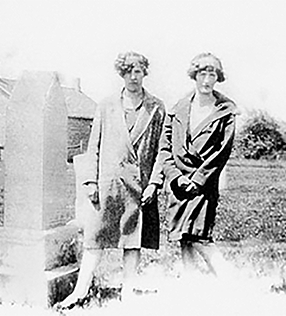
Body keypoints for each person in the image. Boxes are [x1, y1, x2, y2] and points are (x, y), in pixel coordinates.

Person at [57, 51, 166, 309]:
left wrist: (154, 183)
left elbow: (163, 149)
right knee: (95, 238)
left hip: (138, 186)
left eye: (137, 71)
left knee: (133, 239)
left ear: (144, 73)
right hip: (108, 184)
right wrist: (90, 182)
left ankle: (128, 292)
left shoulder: (156, 107)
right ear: (122, 74)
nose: (133, 76)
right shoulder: (106, 105)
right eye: (128, 71)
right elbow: (94, 145)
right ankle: (80, 291)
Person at [158, 52, 237, 277]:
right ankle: (191, 287)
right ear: (194, 75)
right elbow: (164, 149)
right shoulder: (177, 109)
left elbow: (221, 154)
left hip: (203, 185)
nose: (206, 80)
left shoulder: (226, 112)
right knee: (184, 238)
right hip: (178, 186)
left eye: (212, 74)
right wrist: (176, 176)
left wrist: (198, 180)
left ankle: (232, 281)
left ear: (217, 77)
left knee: (201, 237)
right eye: (202, 73)